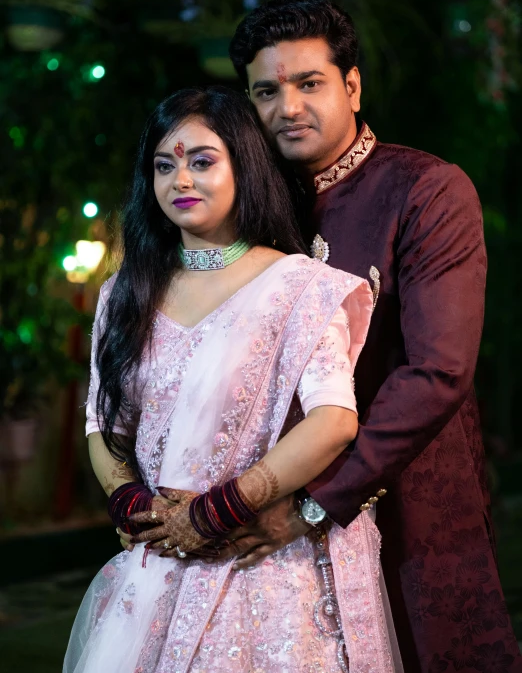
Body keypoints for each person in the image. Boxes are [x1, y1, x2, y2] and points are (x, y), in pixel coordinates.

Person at [209, 0, 521, 673]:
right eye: (266, 91)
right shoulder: (251, 209)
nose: (287, 106)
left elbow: (437, 370)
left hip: (407, 501)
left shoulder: (426, 190)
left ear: (352, 85)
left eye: (309, 83)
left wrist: (317, 502)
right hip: (271, 507)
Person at [64, 86, 403, 673]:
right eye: (164, 166)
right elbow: (102, 422)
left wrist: (219, 510)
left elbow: (334, 421)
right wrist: (132, 503)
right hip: (154, 570)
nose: (180, 181)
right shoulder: (127, 290)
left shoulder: (301, 288)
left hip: (257, 569)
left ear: (244, 166)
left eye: (202, 161)